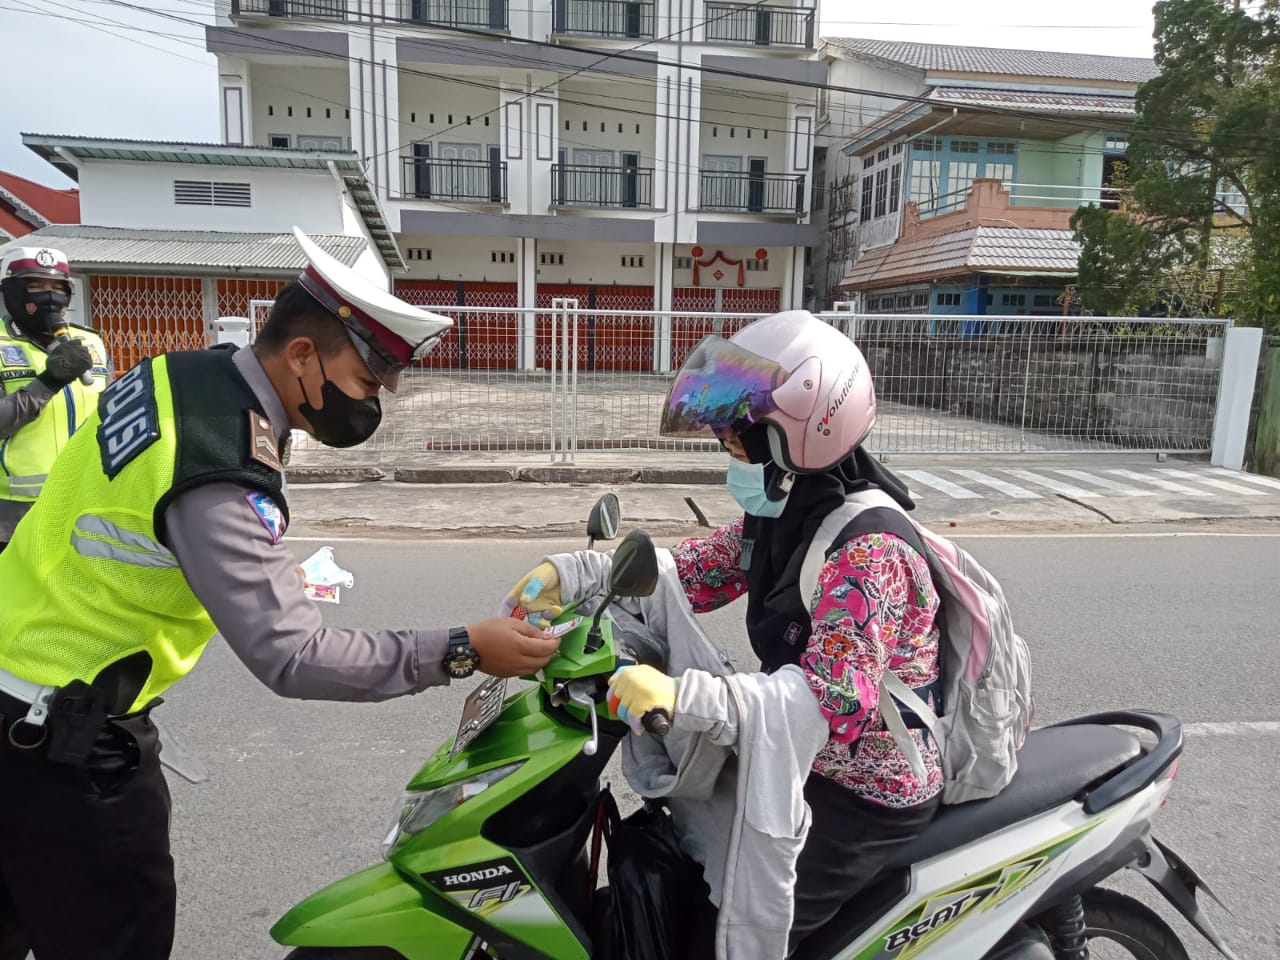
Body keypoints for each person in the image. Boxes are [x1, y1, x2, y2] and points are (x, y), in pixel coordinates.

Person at [0, 227, 558, 960]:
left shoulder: (176, 373)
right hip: (60, 742)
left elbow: (137, 519)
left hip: (20, 680)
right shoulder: (218, 452)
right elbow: (291, 657)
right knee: (117, 935)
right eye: (365, 384)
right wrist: (462, 650)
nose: (372, 406)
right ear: (302, 355)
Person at [510, 310, 942, 956]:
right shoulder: (782, 518)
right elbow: (682, 575)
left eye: (739, 442)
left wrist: (682, 696)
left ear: (800, 437)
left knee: (731, 924)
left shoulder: (869, 551)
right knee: (679, 864)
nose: (729, 456)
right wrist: (573, 577)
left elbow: (825, 703)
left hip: (865, 791)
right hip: (804, 762)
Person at [0, 245, 109, 550]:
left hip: (85, 503)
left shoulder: (91, 341)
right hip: (12, 512)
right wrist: (49, 381)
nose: (49, 296)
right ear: (10, 292)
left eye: (58, 287)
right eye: (35, 286)